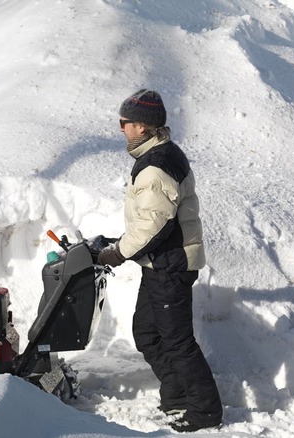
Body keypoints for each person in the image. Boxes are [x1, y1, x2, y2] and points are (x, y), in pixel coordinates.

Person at [97, 89, 223, 432]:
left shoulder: (156, 166)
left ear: (141, 126)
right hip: (160, 264)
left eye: (124, 122)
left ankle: (203, 413)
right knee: (148, 334)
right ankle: (178, 399)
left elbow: (156, 224)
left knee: (178, 342)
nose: (120, 128)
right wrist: (120, 243)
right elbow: (152, 218)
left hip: (171, 266)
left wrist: (118, 252)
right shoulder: (160, 155)